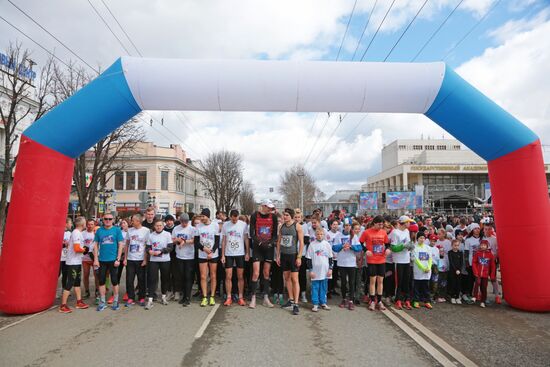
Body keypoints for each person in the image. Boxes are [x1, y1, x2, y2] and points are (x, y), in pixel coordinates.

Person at [248, 199, 278, 309]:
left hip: (268, 248)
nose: (270, 209)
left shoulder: (273, 217)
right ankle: (253, 297)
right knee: (256, 273)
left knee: (266, 273)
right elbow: (252, 233)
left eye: (271, 208)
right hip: (257, 247)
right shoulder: (255, 215)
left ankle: (266, 297)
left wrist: (270, 243)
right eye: (268, 207)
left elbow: (275, 235)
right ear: (263, 206)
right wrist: (260, 242)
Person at [92, 214, 125, 311]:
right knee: (101, 281)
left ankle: (115, 300)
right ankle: (102, 302)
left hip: (113, 260)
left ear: (113, 220)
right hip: (102, 260)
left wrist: (118, 259)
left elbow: (120, 245)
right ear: (103, 220)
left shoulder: (116, 230)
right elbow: (95, 245)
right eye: (106, 219)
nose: (108, 220)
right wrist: (96, 259)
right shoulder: (99, 230)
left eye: (110, 219)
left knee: (114, 281)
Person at [276, 207, 305, 315]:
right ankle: (291, 300)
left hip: (293, 255)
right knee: (287, 278)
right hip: (284, 255)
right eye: (284, 215)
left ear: (291, 216)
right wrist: (278, 256)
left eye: (287, 215)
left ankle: (296, 304)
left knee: (294, 279)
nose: (284, 216)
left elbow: (301, 243)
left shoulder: (297, 226)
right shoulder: (281, 226)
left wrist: (299, 257)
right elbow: (279, 242)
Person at [59, 217, 89, 313]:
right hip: (72, 262)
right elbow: (76, 248)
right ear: (82, 224)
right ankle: (63, 305)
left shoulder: (78, 233)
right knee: (70, 283)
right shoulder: (76, 232)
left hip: (77, 261)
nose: (86, 224)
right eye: (85, 222)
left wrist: (83, 249)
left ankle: (79, 302)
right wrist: (84, 249)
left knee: (77, 282)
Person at [360, 215, 390, 311]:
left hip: (381, 259)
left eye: (382, 224)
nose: (381, 226)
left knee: (380, 281)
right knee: (372, 281)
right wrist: (366, 250)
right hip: (372, 260)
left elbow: (387, 244)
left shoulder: (383, 232)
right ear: (374, 223)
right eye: (379, 224)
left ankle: (380, 301)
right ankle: (372, 301)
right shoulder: (366, 232)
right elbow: (360, 242)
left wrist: (388, 250)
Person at [221, 209, 249, 306]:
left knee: (240, 276)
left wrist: (247, 252)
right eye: (233, 219)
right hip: (229, 254)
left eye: (236, 219)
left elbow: (246, 239)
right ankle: (229, 297)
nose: (234, 221)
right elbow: (223, 240)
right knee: (228, 276)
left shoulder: (243, 225)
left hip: (240, 253)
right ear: (230, 217)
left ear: (238, 216)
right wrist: (223, 255)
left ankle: (240, 297)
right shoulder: (225, 225)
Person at [332, 222, 363, 310]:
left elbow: (359, 248)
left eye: (349, 225)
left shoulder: (354, 236)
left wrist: (351, 246)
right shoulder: (338, 235)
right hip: (341, 262)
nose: (347, 227)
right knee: (343, 282)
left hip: (351, 263)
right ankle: (344, 299)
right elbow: (334, 248)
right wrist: (342, 245)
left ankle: (351, 301)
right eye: (346, 225)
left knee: (351, 282)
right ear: (343, 226)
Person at [145, 219, 174, 309]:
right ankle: (150, 299)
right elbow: (148, 247)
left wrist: (161, 251)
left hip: (165, 260)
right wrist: (149, 251)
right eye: (157, 225)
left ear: (163, 226)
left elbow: (170, 247)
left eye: (160, 225)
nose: (158, 227)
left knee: (165, 278)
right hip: (153, 260)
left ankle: (164, 297)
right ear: (154, 226)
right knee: (152, 279)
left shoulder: (167, 234)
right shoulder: (151, 235)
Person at [195, 208, 220, 307]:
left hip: (213, 254)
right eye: (201, 216)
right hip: (202, 254)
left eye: (203, 216)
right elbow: (196, 242)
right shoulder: (198, 226)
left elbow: (217, 241)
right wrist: (203, 249)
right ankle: (205, 297)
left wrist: (212, 251)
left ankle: (212, 296)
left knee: (213, 275)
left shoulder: (215, 225)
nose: (202, 218)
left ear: (208, 216)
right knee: (203, 276)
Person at [306, 227, 333, 312]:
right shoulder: (312, 245)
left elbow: (330, 258)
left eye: (321, 234)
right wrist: (311, 270)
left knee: (324, 287)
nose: (320, 236)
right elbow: (308, 259)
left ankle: (323, 303)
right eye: (318, 234)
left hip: (325, 271)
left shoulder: (327, 244)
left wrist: (330, 269)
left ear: (323, 235)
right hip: (315, 271)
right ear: (315, 235)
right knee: (315, 287)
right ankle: (315, 304)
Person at [124, 214, 149, 306]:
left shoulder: (146, 231)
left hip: (141, 259)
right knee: (129, 279)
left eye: (133, 220)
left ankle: (141, 297)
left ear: (138, 221)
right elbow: (127, 244)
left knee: (141, 279)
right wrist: (125, 258)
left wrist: (145, 260)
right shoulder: (130, 231)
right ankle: (131, 297)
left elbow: (147, 246)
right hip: (130, 259)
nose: (131, 222)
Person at [390, 215, 414, 310]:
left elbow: (408, 243)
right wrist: (403, 246)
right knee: (398, 281)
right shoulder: (395, 232)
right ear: (403, 223)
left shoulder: (407, 231)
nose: (410, 224)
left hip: (406, 260)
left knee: (406, 281)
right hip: (398, 261)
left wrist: (410, 247)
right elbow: (393, 248)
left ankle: (406, 299)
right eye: (408, 222)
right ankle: (398, 299)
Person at [172, 213, 196, 306]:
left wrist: (184, 241)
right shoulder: (176, 228)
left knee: (188, 277)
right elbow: (172, 239)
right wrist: (177, 240)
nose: (184, 223)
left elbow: (194, 240)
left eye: (186, 222)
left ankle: (188, 297)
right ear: (180, 221)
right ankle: (183, 296)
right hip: (179, 256)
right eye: (182, 222)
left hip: (189, 256)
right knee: (181, 277)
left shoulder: (192, 229)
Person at [472, 239, 496, 308]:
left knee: (484, 288)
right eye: (482, 245)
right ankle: (475, 296)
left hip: (485, 275)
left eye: (484, 245)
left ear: (487, 246)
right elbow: (474, 262)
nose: (483, 246)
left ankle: (483, 301)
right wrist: (475, 271)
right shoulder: (477, 253)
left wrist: (492, 275)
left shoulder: (490, 255)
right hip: (478, 273)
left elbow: (493, 266)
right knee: (477, 284)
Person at [482, 223, 501, 304]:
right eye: (486, 229)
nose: (487, 231)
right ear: (483, 230)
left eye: (489, 229)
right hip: (483, 262)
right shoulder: (482, 239)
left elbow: (497, 251)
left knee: (493, 278)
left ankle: (497, 296)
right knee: (483, 279)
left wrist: (493, 258)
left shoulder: (495, 239)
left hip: (492, 262)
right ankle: (482, 295)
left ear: (492, 230)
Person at [412, 233, 433, 309]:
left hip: (427, 271)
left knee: (426, 287)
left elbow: (430, 259)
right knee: (417, 287)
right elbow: (416, 260)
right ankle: (416, 301)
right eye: (420, 238)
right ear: (417, 239)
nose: (422, 239)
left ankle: (427, 301)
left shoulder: (428, 248)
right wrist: (423, 268)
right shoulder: (414, 248)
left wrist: (429, 267)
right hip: (418, 271)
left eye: (423, 238)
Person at [294, 209, 310, 304]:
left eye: (298, 217)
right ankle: (294, 293)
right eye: (295, 217)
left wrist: (298, 237)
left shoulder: (304, 226)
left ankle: (303, 293)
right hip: (292, 253)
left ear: (301, 218)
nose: (297, 219)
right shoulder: (291, 225)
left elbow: (306, 240)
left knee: (302, 275)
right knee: (294, 274)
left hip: (302, 253)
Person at [464, 223, 481, 304]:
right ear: (472, 230)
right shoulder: (468, 240)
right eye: (475, 229)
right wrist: (467, 263)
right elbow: (466, 253)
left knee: (480, 280)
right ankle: (469, 294)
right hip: (471, 263)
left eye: (478, 228)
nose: (477, 230)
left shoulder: (482, 238)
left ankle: (479, 294)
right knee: (471, 280)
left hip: (481, 263)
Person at [81, 219, 97, 300]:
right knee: (86, 275)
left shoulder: (96, 233)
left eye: (92, 224)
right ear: (86, 225)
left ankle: (97, 291)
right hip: (85, 258)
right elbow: (80, 244)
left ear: (94, 225)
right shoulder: (82, 233)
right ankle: (87, 291)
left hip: (95, 258)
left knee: (96, 275)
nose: (90, 226)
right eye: (88, 224)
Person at [435, 228, 452, 303]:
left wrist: (442, 250)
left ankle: (443, 294)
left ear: (444, 234)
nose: (438, 235)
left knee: (444, 280)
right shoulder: (436, 241)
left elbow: (449, 252)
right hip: (438, 263)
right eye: (437, 234)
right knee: (438, 279)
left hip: (445, 263)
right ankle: (437, 295)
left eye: (440, 234)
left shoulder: (448, 242)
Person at [447, 239, 463, 304]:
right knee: (453, 284)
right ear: (452, 245)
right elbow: (451, 262)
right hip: (452, 271)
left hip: (459, 271)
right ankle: (452, 297)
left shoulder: (460, 253)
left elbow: (461, 262)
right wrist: (455, 270)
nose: (456, 247)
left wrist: (459, 270)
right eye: (454, 245)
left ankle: (457, 297)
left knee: (458, 284)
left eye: (457, 245)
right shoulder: (450, 252)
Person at [59, 218, 72, 297]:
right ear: (66, 224)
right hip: (59, 257)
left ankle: (64, 289)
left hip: (66, 257)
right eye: (70, 223)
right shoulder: (59, 232)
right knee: (57, 274)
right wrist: (64, 244)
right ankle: (53, 290)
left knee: (65, 274)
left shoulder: (70, 233)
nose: (71, 225)